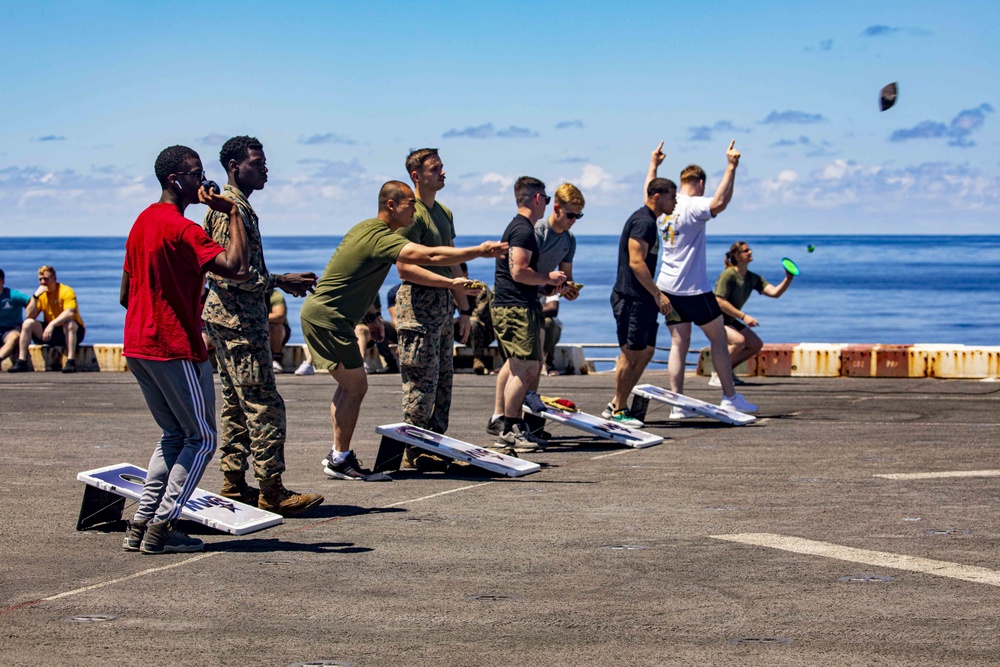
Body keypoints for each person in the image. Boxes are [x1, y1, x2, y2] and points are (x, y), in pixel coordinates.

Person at [300, 181, 505, 481]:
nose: (414, 208)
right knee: (356, 386)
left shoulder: (367, 230)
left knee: (350, 386)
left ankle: (338, 455)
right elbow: (431, 257)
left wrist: (372, 317)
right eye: (410, 203)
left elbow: (355, 275)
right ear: (392, 205)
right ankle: (339, 458)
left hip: (331, 316)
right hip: (328, 319)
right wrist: (479, 251)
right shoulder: (382, 238)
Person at [119, 144, 249, 554]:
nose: (204, 181)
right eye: (196, 174)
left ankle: (141, 525)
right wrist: (231, 214)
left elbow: (126, 293)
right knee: (202, 438)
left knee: (174, 434)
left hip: (139, 344)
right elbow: (238, 269)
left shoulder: (142, 222)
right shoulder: (183, 228)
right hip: (173, 345)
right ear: (175, 180)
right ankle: (164, 525)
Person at [202, 135, 323, 516]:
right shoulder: (228, 210)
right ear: (234, 167)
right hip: (239, 323)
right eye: (257, 163)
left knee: (237, 405)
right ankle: (272, 490)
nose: (265, 169)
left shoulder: (236, 207)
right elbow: (228, 274)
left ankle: (234, 483)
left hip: (231, 320)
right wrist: (279, 281)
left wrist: (278, 280)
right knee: (263, 405)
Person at [651, 140, 758, 416]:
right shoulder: (693, 205)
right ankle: (729, 397)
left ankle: (677, 404)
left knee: (678, 343)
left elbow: (647, 193)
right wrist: (732, 166)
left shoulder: (664, 208)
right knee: (719, 340)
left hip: (667, 286)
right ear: (699, 183)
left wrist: (653, 166)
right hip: (693, 289)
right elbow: (719, 203)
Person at [394, 148, 481, 470]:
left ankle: (435, 444)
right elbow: (404, 268)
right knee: (420, 384)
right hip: (418, 306)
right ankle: (414, 448)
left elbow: (454, 261)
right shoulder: (410, 214)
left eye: (442, 167)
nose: (442, 173)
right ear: (416, 175)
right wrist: (449, 286)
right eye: (435, 169)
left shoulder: (443, 212)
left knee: (443, 382)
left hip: (444, 308)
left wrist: (465, 311)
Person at [490, 182, 584, 440]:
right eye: (571, 215)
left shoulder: (568, 240)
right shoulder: (533, 231)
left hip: (534, 297)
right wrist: (548, 281)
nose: (574, 220)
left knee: (532, 364)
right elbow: (519, 270)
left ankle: (518, 422)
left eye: (579, 216)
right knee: (521, 366)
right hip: (518, 300)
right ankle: (504, 420)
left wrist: (567, 289)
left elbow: (564, 278)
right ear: (554, 206)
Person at [603, 150, 676, 428]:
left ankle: (615, 402)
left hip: (643, 299)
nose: (675, 200)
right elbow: (636, 262)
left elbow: (650, 188)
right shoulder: (644, 222)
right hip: (631, 298)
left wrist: (653, 166)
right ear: (658, 197)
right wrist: (659, 294)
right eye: (672, 196)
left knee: (645, 352)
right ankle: (620, 409)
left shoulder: (648, 217)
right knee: (630, 353)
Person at [709, 241, 794, 386]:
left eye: (750, 250)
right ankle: (717, 374)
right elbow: (719, 301)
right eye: (746, 251)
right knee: (738, 341)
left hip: (729, 319)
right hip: (713, 318)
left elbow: (774, 293)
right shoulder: (728, 275)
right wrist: (743, 316)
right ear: (736, 255)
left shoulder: (752, 278)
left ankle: (727, 371)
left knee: (755, 344)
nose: (750, 252)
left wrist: (788, 279)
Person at [9, 266, 86, 373]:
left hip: (71, 332)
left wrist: (52, 324)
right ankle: (21, 360)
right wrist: (35, 297)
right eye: (40, 279)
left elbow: (70, 312)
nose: (43, 282)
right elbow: (30, 315)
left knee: (70, 324)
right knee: (27, 323)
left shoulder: (66, 291)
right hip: (51, 333)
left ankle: (70, 361)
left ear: (54, 278)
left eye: (46, 279)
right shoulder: (41, 294)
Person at [0, 268, 31, 368]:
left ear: (2, 281)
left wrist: (29, 316)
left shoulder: (12, 295)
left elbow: (31, 302)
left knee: (14, 338)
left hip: (11, 328)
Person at [267, 288, 291, 374]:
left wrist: (256, 317)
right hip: (255, 329)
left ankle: (276, 359)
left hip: (278, 332)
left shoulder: (275, 295)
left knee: (275, 326)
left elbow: (279, 316)